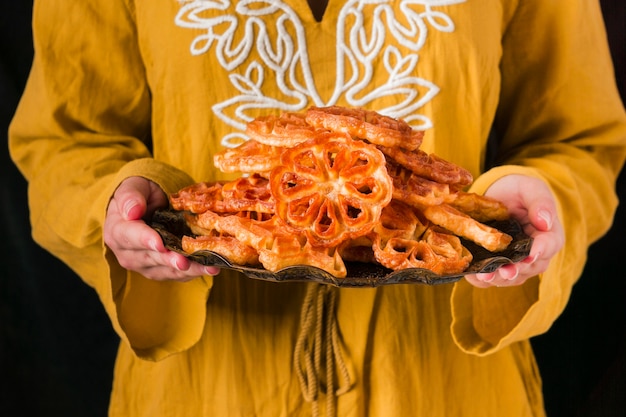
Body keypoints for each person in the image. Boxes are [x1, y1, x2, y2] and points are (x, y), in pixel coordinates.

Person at [8, 0, 626, 416]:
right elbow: (67, 137)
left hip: (444, 384)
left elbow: (577, 138)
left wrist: (537, 197)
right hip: (207, 385)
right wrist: (119, 201)